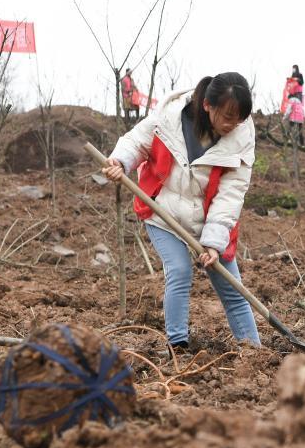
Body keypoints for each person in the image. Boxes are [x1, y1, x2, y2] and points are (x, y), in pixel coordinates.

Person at [102, 73, 260, 350]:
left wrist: (213, 244)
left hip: (210, 220)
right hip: (163, 211)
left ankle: (255, 351)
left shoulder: (241, 137)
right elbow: (136, 142)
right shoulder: (169, 117)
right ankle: (178, 346)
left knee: (232, 289)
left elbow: (231, 194)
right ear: (208, 105)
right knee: (179, 269)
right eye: (227, 116)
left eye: (239, 118)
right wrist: (120, 162)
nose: (232, 124)